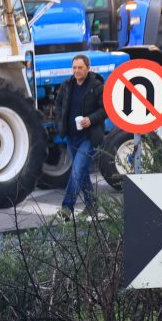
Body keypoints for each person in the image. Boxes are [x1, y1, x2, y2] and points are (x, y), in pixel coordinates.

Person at [53, 54, 106, 219]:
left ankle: (67, 207)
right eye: (74, 67)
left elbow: (105, 110)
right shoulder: (67, 85)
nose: (76, 71)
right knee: (81, 172)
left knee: (76, 170)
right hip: (71, 136)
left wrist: (91, 119)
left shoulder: (96, 86)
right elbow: (59, 106)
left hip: (88, 137)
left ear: (88, 69)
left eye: (80, 67)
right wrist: (60, 123)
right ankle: (91, 205)